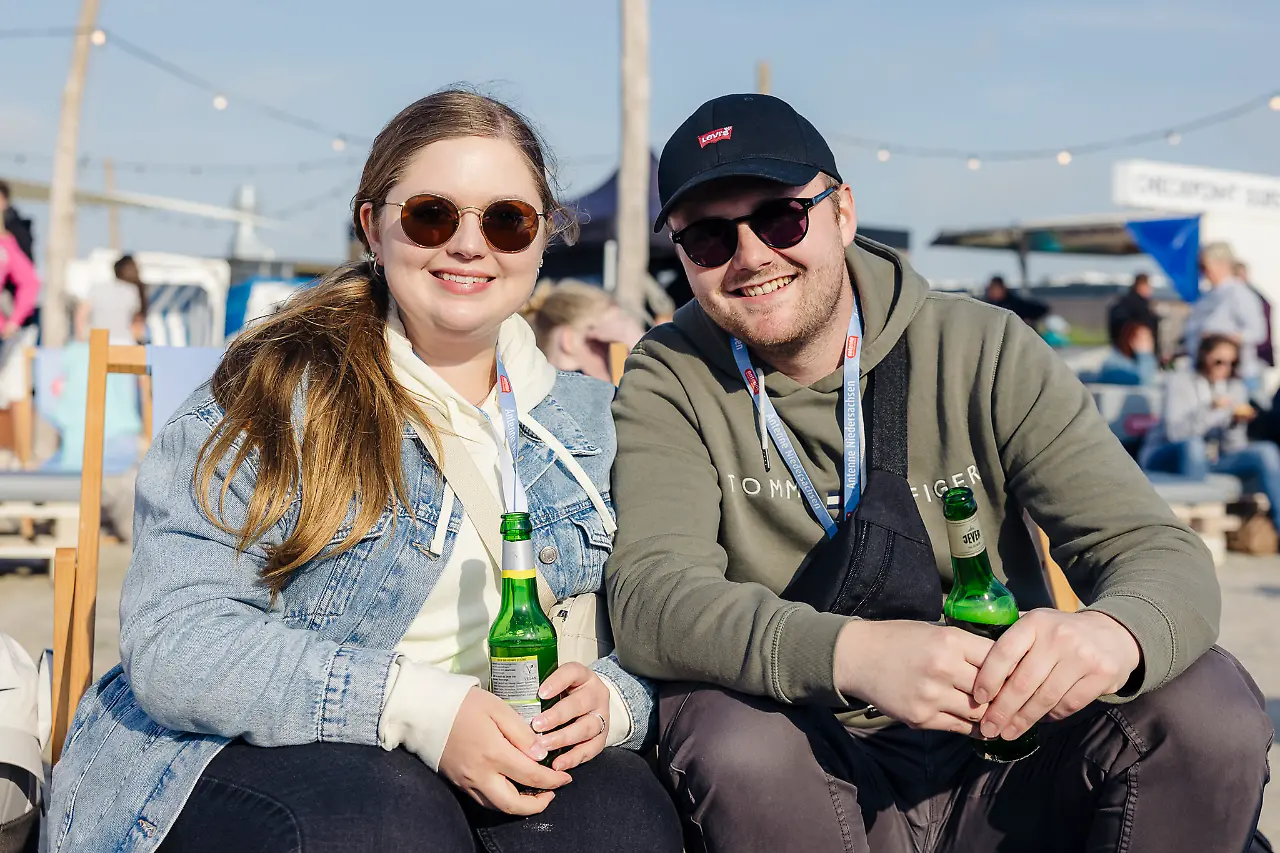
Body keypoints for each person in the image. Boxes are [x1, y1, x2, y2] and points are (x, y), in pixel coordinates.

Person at [606, 93, 1272, 853]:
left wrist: (1110, 633)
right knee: (727, 731)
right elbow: (651, 597)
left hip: (1011, 746)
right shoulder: (670, 372)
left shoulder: (981, 346)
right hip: (814, 761)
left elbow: (1156, 551)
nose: (752, 253)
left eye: (781, 217)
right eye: (708, 237)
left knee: (1205, 702)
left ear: (843, 212)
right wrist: (855, 655)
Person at [49, 90, 681, 853]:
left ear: (543, 239)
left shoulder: (597, 420)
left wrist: (617, 698)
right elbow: (178, 640)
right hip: (267, 754)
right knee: (387, 820)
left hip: (515, 741)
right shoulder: (271, 394)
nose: (469, 245)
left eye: (507, 220)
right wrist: (420, 708)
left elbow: (672, 621)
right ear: (373, 227)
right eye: (431, 215)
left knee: (617, 821)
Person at [1140, 335, 1280, 529]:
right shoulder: (1180, 382)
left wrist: (1234, 423)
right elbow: (1175, 434)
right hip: (1167, 454)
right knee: (1194, 447)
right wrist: (1212, 411)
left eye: (1232, 363)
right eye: (1219, 361)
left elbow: (1233, 447)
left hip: (1209, 460)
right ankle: (1190, 523)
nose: (1225, 368)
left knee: (1266, 451)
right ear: (1204, 357)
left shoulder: (1235, 387)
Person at [1182, 242, 1266, 395]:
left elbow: (1258, 332)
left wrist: (1224, 338)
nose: (1202, 272)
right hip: (1205, 374)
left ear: (1220, 264)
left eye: (1204, 266)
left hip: (1236, 376)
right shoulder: (1208, 295)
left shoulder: (1239, 293)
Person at [521, 279, 644, 381]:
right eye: (604, 345)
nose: (621, 359)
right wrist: (642, 350)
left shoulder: (532, 390)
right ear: (569, 340)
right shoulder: (584, 400)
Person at [74, 254, 149, 344]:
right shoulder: (132, 291)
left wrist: (80, 338)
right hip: (124, 342)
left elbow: (81, 314)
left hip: (98, 341)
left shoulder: (96, 288)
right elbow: (137, 325)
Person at [1107, 272, 1160, 351]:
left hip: (1121, 348)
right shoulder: (1140, 306)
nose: (1150, 290)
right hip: (1138, 349)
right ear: (1141, 286)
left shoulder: (1121, 303)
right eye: (1148, 286)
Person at [1095, 321, 1158, 386]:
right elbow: (1142, 379)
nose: (1149, 344)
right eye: (1144, 339)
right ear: (1131, 339)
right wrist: (1145, 355)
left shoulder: (1141, 364)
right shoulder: (1112, 365)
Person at [981, 274, 1048, 326]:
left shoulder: (1015, 303)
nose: (991, 292)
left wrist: (1026, 321)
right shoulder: (987, 304)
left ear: (1002, 289)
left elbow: (1041, 308)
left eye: (994, 289)